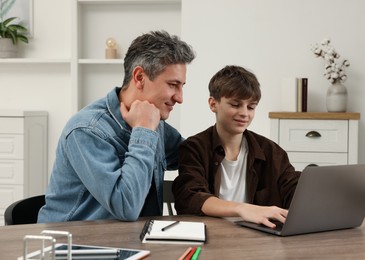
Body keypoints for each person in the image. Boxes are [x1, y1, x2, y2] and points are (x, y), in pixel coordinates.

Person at [38, 31, 195, 223]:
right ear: (139, 77)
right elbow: (126, 206)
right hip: (75, 247)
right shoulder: (87, 130)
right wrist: (144, 131)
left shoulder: (153, 120)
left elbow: (191, 155)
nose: (180, 98)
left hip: (134, 244)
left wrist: (229, 131)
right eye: (173, 85)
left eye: (182, 86)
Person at [172, 65, 300, 228]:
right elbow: (190, 197)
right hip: (211, 236)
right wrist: (243, 209)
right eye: (235, 104)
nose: (245, 113)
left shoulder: (271, 151)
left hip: (261, 240)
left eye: (251, 107)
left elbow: (293, 189)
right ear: (213, 104)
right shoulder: (194, 148)